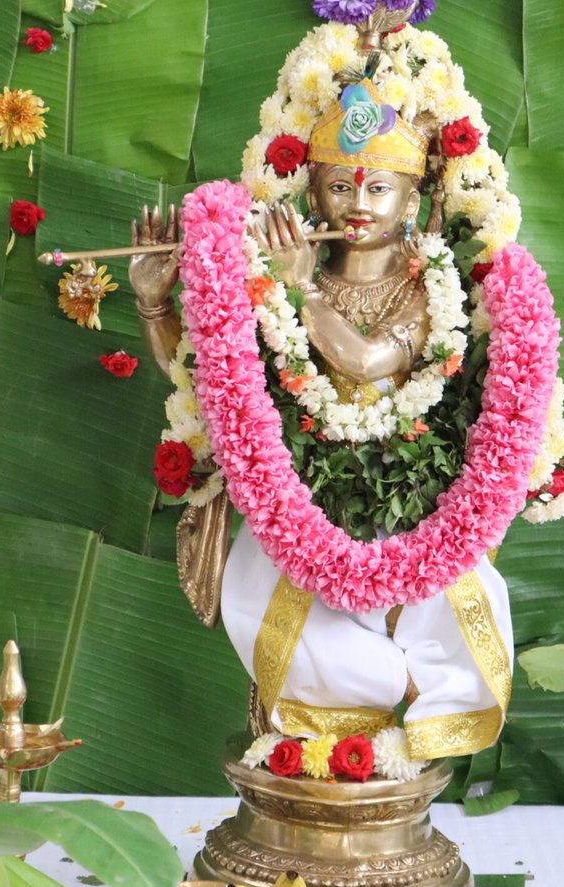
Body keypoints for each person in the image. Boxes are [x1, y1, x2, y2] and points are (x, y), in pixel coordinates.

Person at [129, 76, 526, 761]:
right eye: (340, 186)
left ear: (412, 200)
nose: (358, 204)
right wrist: (154, 305)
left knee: (449, 608)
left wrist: (302, 287)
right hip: (295, 507)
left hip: (407, 507)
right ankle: (318, 756)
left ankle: (394, 754)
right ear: (313, 195)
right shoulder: (272, 277)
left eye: (378, 188)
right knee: (290, 626)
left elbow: (367, 361)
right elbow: (203, 379)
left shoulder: (427, 285)